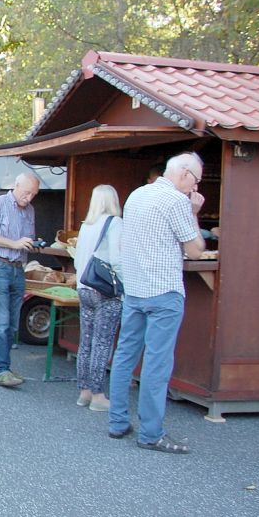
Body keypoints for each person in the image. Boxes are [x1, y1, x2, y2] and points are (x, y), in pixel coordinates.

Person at [109, 152, 205, 454]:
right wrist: (194, 211)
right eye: (197, 181)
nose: (195, 188)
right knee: (157, 362)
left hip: (135, 288)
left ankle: (117, 421)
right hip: (163, 290)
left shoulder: (137, 195)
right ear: (186, 175)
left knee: (125, 354)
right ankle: (151, 433)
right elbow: (195, 250)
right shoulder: (177, 201)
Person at [0, 173, 40, 387]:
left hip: (17, 268)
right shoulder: (0, 203)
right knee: (2, 322)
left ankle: (5, 367)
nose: (29, 198)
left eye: (33, 194)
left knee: (13, 323)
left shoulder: (30, 210)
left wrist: (32, 244)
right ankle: (1, 370)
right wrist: (14, 244)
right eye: (26, 192)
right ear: (16, 186)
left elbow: (25, 239)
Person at [73, 185, 123, 412]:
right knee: (102, 343)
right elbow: (116, 259)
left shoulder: (86, 226)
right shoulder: (114, 223)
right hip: (105, 291)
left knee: (86, 341)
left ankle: (84, 391)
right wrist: (125, 286)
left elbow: (77, 261)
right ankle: (98, 395)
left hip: (84, 287)